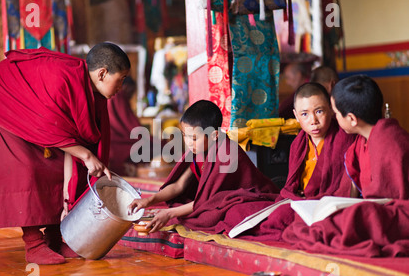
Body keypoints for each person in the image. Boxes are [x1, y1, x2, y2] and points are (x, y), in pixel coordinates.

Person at [0, 42, 131, 265]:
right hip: (2, 106)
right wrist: (87, 157)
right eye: (121, 79)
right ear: (102, 73)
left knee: (57, 167)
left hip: (33, 117)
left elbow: (73, 143)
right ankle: (33, 244)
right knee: (27, 169)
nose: (122, 87)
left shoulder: (92, 93)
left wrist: (75, 186)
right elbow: (48, 129)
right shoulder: (63, 80)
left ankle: (55, 238)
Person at [283, 75, 409, 257]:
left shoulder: (388, 141)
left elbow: (391, 201)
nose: (334, 118)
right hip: (378, 209)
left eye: (334, 112)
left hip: (398, 213)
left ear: (351, 119)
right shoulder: (362, 141)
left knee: (343, 222)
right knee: (322, 222)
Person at [128, 100, 279, 234]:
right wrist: (148, 201)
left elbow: (209, 202)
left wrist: (170, 214)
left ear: (214, 135)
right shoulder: (199, 149)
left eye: (193, 138)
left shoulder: (226, 153)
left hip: (253, 197)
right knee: (200, 214)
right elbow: (179, 185)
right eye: (185, 135)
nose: (188, 142)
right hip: (215, 202)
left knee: (230, 215)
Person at [237, 82, 356, 241]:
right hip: (302, 202)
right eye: (305, 114)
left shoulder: (345, 139)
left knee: (283, 219)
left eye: (319, 111)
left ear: (331, 108)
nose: (313, 120)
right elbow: (292, 186)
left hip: (328, 204)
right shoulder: (298, 144)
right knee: (244, 211)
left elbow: (345, 190)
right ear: (296, 116)